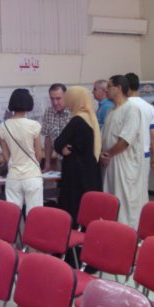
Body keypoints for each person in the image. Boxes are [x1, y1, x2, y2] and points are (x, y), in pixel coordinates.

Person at [54, 86, 102, 227]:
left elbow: (59, 142)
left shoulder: (78, 120)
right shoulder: (90, 117)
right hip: (91, 170)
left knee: (75, 209)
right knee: (89, 209)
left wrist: (65, 147)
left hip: (76, 174)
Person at [100, 75, 143, 229]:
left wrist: (108, 154)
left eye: (109, 86)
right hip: (110, 163)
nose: (106, 90)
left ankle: (128, 235)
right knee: (111, 201)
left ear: (118, 88)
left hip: (123, 164)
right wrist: (103, 154)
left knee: (124, 203)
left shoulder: (131, 109)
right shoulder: (111, 111)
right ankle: (113, 233)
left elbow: (125, 141)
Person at [0, 88, 43, 215]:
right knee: (34, 215)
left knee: (13, 215)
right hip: (32, 175)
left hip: (13, 177)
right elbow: (39, 155)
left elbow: (6, 156)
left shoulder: (3, 126)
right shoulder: (34, 125)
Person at [126, 72, 154, 211]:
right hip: (145, 154)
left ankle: (129, 219)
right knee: (143, 187)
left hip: (128, 153)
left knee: (128, 189)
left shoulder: (124, 106)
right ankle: (143, 216)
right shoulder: (149, 107)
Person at [41, 83, 70, 172]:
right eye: (52, 99)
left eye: (58, 98)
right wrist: (47, 163)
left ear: (66, 96)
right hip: (59, 159)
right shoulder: (48, 112)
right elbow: (48, 139)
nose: (55, 103)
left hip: (74, 160)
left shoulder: (73, 111)